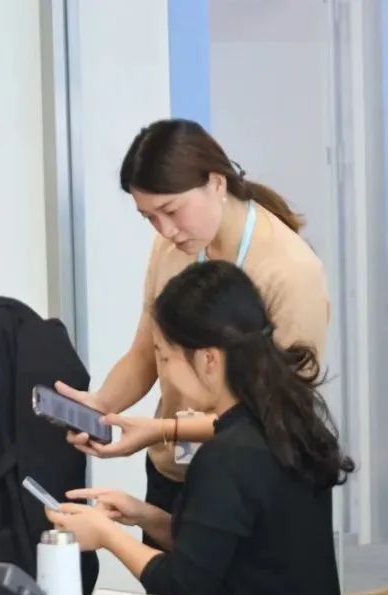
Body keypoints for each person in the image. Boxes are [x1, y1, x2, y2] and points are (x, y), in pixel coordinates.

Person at [57, 118, 330, 526]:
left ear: (216, 183)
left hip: (247, 481)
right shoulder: (171, 249)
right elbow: (144, 354)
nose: (166, 230)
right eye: (149, 217)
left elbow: (281, 414)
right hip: (175, 473)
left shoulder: (290, 270)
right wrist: (101, 408)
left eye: (171, 211)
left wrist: (162, 430)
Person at [49, 260, 352, 595]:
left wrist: (106, 535)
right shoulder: (288, 426)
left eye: (165, 358)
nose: (163, 373)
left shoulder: (228, 458)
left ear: (209, 360)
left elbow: (183, 586)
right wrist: (145, 516)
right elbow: (224, 552)